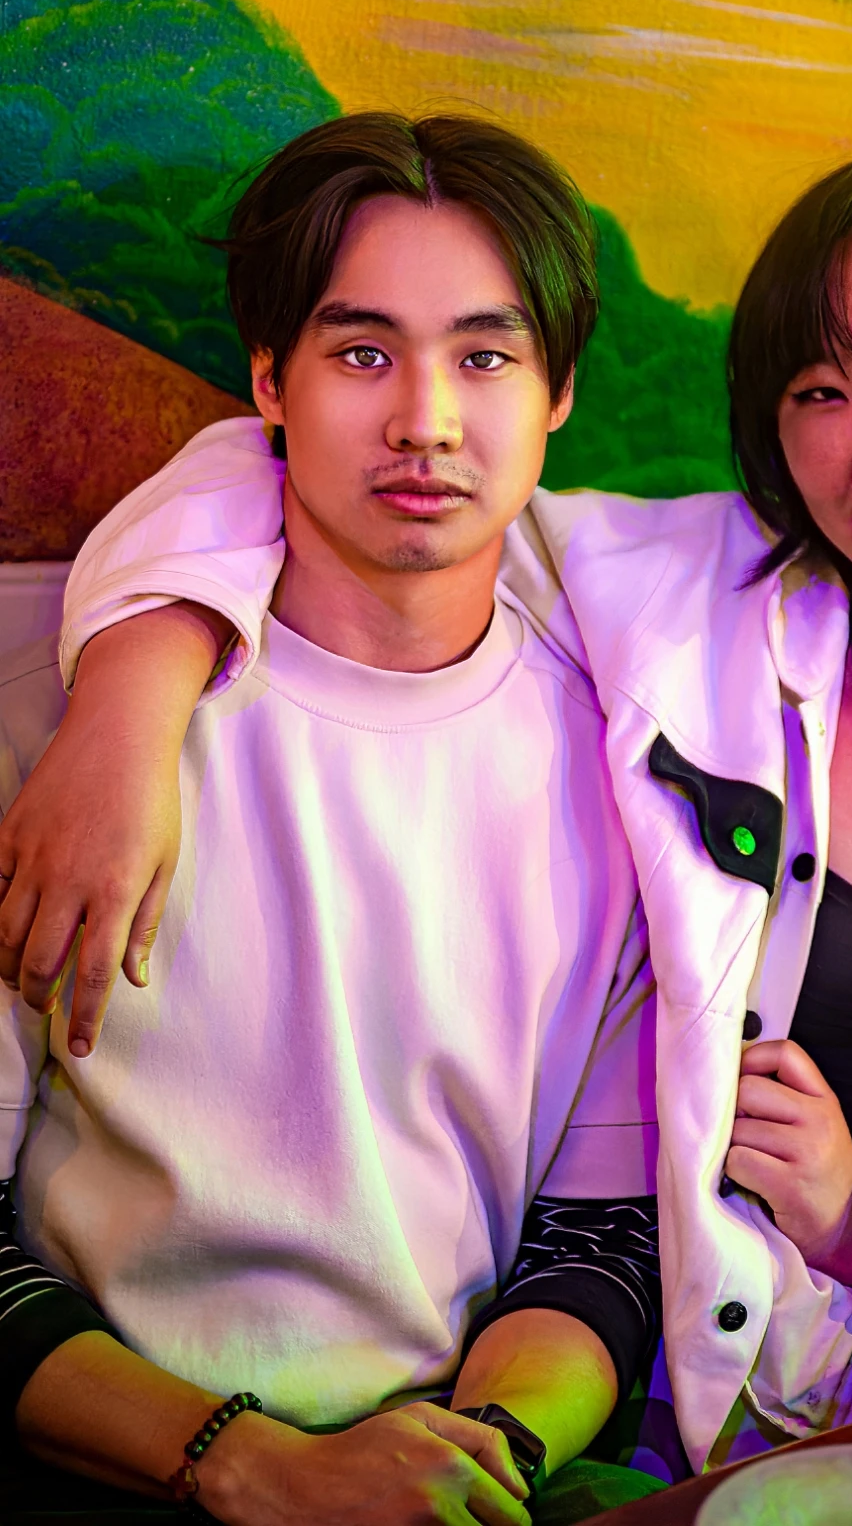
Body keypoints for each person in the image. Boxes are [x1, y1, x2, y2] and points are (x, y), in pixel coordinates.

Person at [7, 142, 852, 1450]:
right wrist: (125, 703)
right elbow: (275, 475)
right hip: (760, 1422)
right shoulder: (687, 620)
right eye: (822, 389)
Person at [0, 112, 668, 1525]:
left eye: (484, 356)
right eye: (362, 353)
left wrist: (464, 1459)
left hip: (459, 1463)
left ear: (555, 397)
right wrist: (244, 1460)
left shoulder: (624, 769)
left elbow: (596, 1240)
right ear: (272, 385)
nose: (425, 416)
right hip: (104, 1450)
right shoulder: (56, 739)